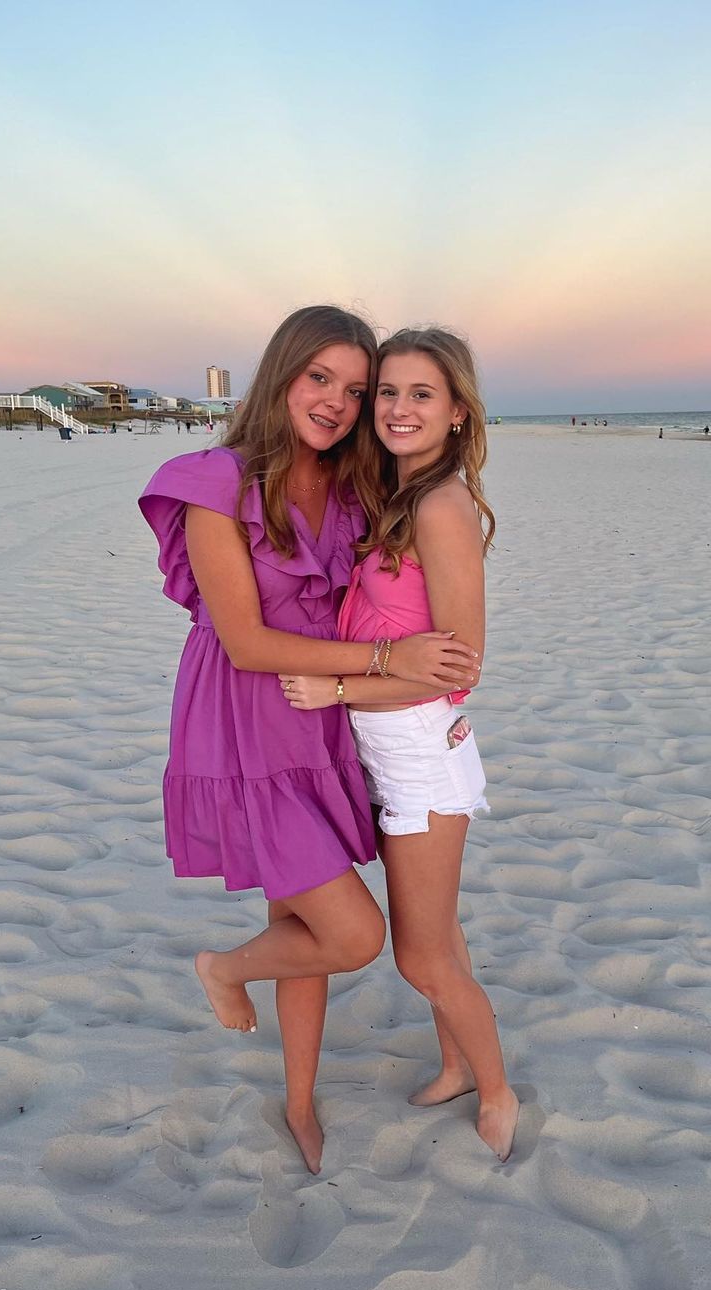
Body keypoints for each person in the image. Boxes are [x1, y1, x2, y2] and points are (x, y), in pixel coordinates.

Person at [139, 306, 479, 1173]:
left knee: (297, 915)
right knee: (350, 932)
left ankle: (298, 1101)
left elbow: (417, 580)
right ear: (281, 374)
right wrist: (387, 659)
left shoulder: (353, 487)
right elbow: (247, 644)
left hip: (324, 716)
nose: (336, 401)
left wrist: (417, 684)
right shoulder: (216, 481)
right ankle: (223, 969)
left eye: (356, 390)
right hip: (245, 718)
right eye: (319, 378)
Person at [279, 328, 519, 1162]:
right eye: (387, 391)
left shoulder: (442, 507)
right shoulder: (396, 497)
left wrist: (340, 688)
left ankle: (498, 1092)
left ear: (457, 413)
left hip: (419, 752)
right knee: (441, 935)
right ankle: (455, 1066)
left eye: (423, 394)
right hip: (388, 749)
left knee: (421, 957)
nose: (398, 408)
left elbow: (459, 667)